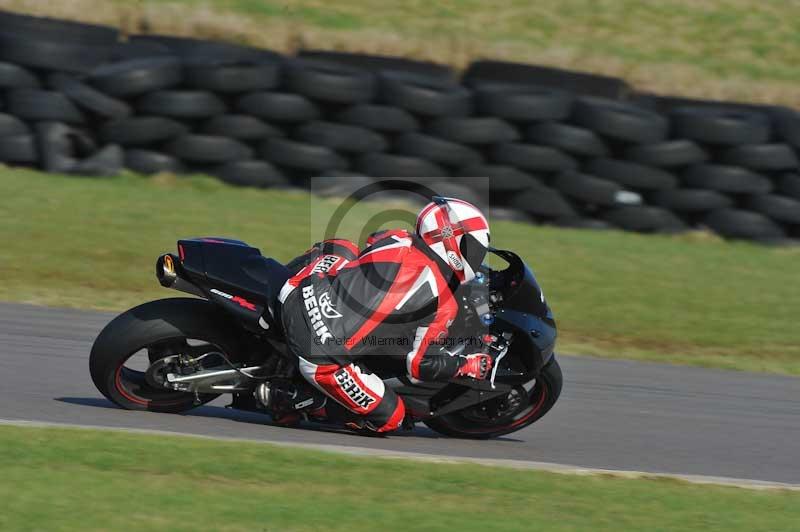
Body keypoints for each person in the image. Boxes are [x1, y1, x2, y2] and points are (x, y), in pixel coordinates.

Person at [268, 196, 494, 433]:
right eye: (474, 249)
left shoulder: (398, 237)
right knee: (392, 418)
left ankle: (276, 285)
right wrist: (466, 365)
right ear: (450, 239)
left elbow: (372, 239)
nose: (476, 258)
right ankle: (293, 400)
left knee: (343, 247)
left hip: (297, 291)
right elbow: (420, 366)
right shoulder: (444, 302)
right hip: (321, 354)